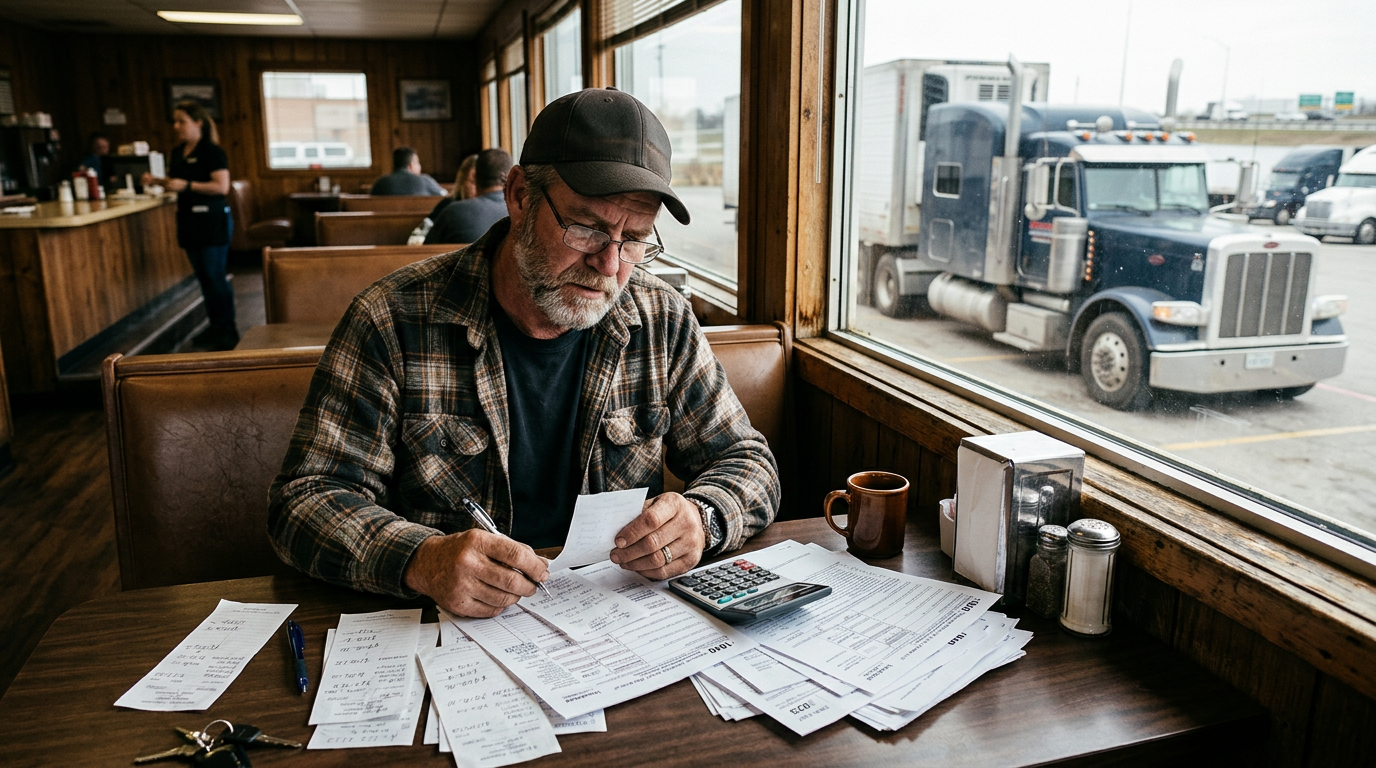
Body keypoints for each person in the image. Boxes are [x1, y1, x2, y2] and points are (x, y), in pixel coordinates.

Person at [269, 88, 779, 619]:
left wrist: (704, 517)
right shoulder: (391, 320)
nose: (610, 265)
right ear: (518, 196)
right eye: (586, 227)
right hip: (445, 633)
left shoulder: (662, 319)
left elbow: (747, 460)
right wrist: (420, 559)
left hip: (615, 629)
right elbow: (304, 500)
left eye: (634, 240)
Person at [142, 101, 237, 350]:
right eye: (174, 121)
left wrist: (186, 186)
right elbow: (179, 182)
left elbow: (221, 187)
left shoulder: (211, 151)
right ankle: (215, 326)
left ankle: (228, 330)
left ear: (199, 123)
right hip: (188, 221)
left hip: (211, 221)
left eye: (181, 121)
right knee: (203, 278)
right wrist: (158, 180)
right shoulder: (177, 152)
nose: (176, 126)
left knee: (215, 276)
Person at [425, 148, 513, 245]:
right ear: (511, 178)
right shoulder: (523, 212)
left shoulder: (453, 211)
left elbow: (426, 250)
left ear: (473, 176)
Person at [370, 147, 446, 196]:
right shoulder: (425, 180)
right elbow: (443, 195)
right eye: (418, 162)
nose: (420, 167)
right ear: (411, 165)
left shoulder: (380, 182)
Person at [429, 153, 479, 222]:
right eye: (472, 182)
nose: (477, 188)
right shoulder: (447, 205)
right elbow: (424, 230)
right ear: (462, 181)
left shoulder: (491, 207)